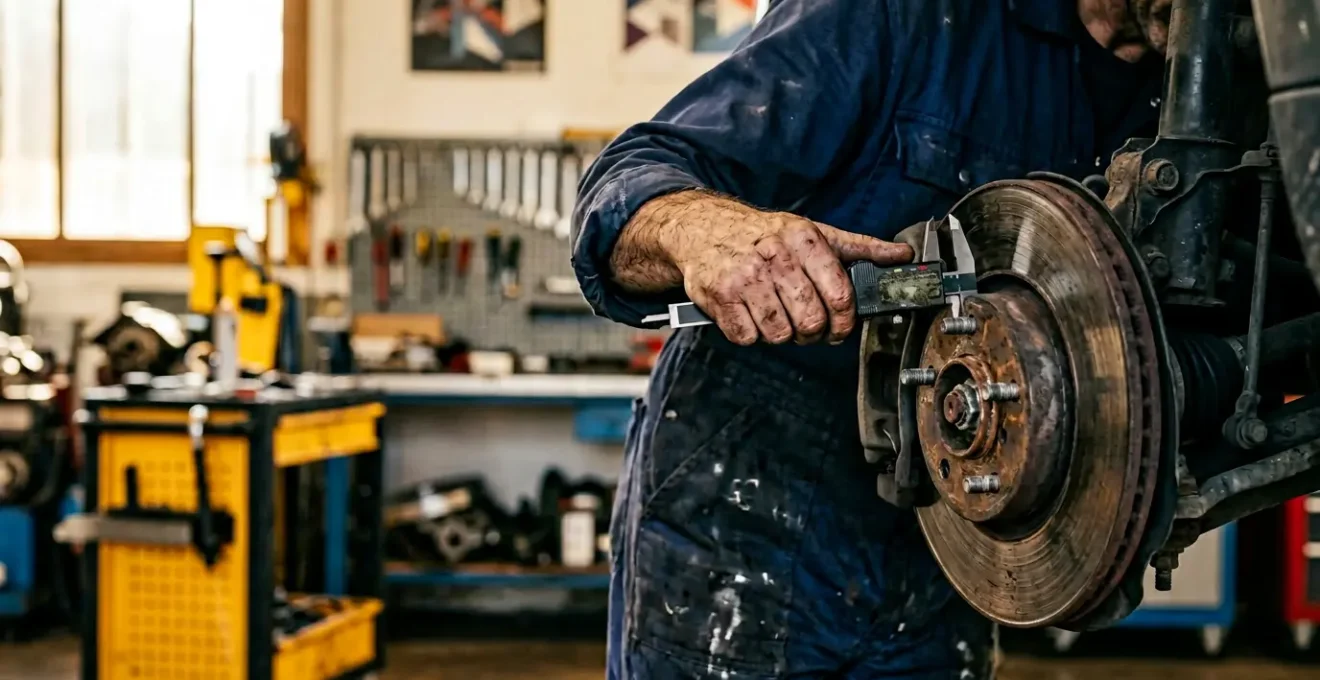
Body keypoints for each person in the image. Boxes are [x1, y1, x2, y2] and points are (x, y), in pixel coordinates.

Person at [572, 1, 1170, 677]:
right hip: (748, 509)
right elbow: (625, 188)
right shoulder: (904, 14)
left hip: (950, 541)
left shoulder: (1210, 96)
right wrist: (702, 230)